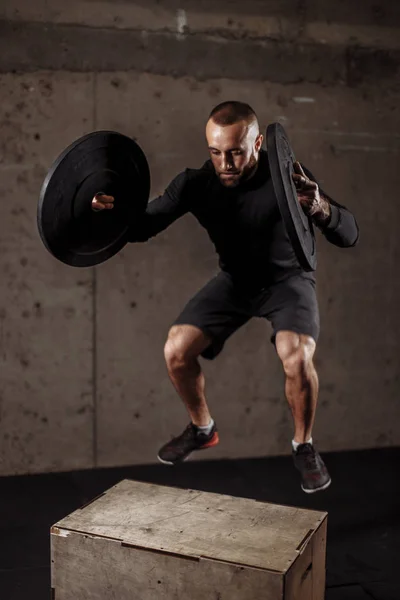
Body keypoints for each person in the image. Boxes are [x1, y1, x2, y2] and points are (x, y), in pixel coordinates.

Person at [92, 101, 359, 494]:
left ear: (257, 143)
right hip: (236, 282)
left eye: (235, 151)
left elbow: (349, 234)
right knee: (176, 350)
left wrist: (318, 206)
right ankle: (203, 428)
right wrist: (104, 211)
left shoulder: (288, 176)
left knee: (297, 356)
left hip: (289, 281)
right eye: (216, 152)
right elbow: (144, 226)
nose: (225, 163)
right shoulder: (195, 184)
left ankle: (303, 445)